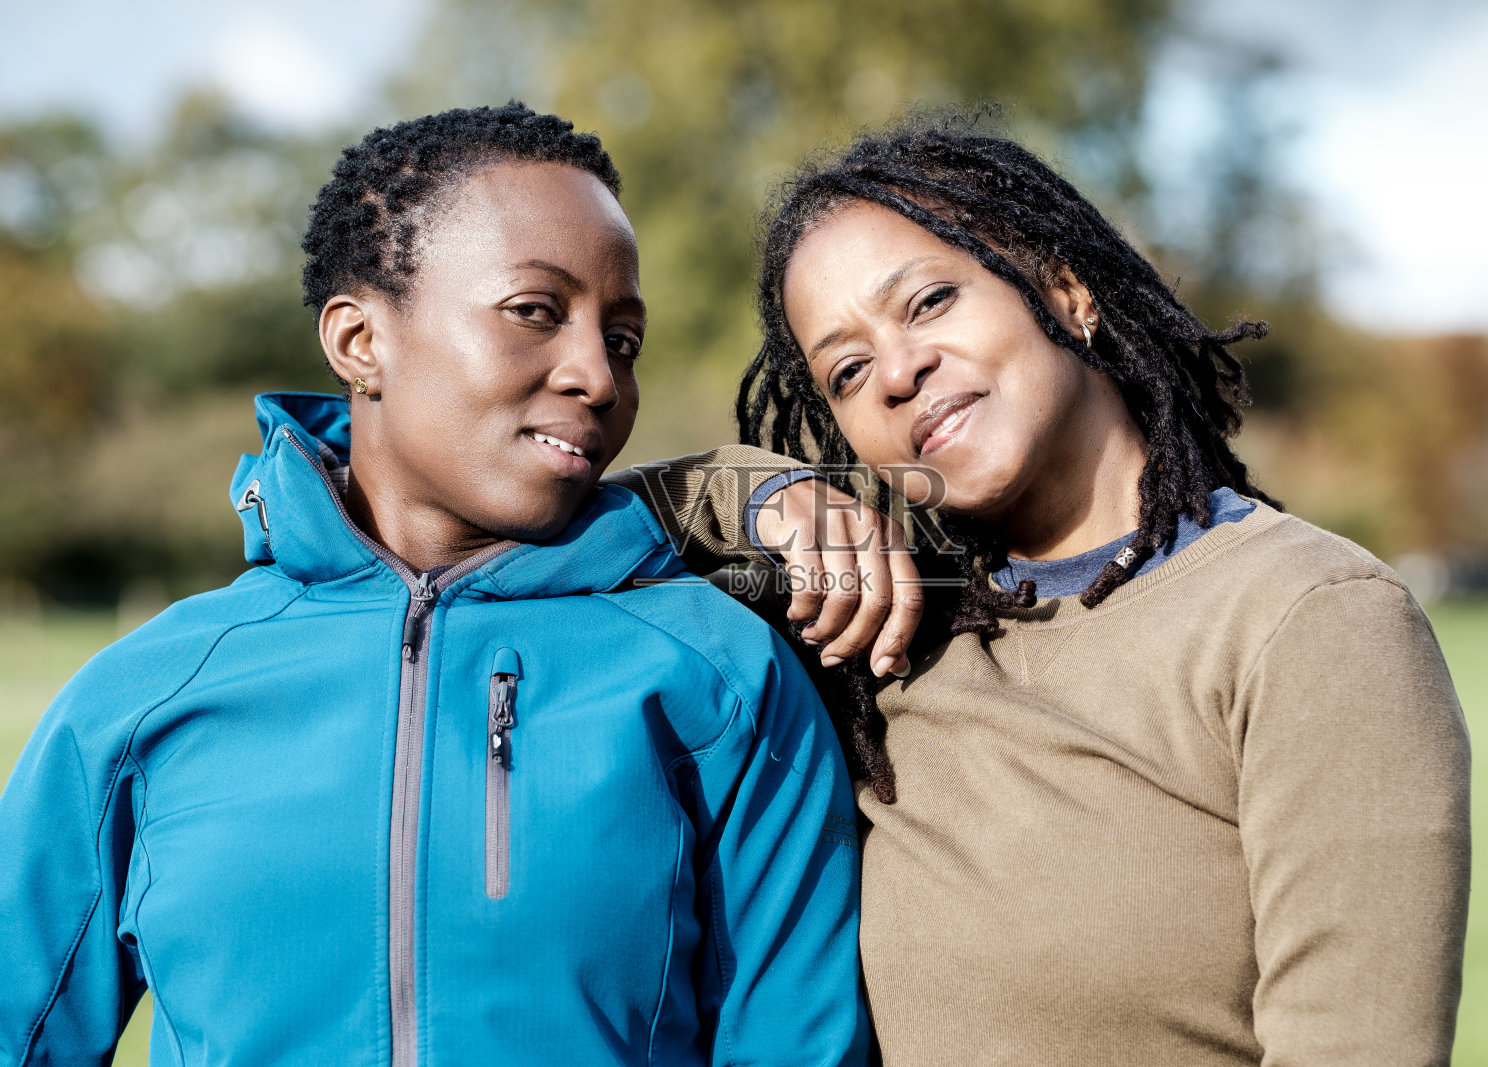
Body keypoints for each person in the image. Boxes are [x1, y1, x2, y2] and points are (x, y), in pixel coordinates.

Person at [0, 104, 868, 1067]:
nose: (597, 375)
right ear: (359, 340)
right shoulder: (139, 698)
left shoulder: (721, 673)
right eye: (536, 311)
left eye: (622, 339)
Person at [631, 116, 1472, 1065]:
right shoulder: (900, 618)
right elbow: (572, 509)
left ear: (1065, 289)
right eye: (849, 370)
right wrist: (770, 495)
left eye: (931, 300)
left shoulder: (1310, 616)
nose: (900, 372)